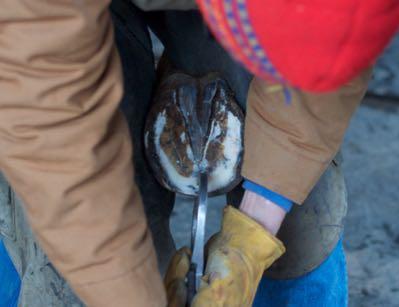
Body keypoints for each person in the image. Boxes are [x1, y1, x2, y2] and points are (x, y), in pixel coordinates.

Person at [0, 0, 379, 306]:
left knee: (303, 221)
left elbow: (328, 43)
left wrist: (254, 232)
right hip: (54, 22)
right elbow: (48, 121)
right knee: (58, 258)